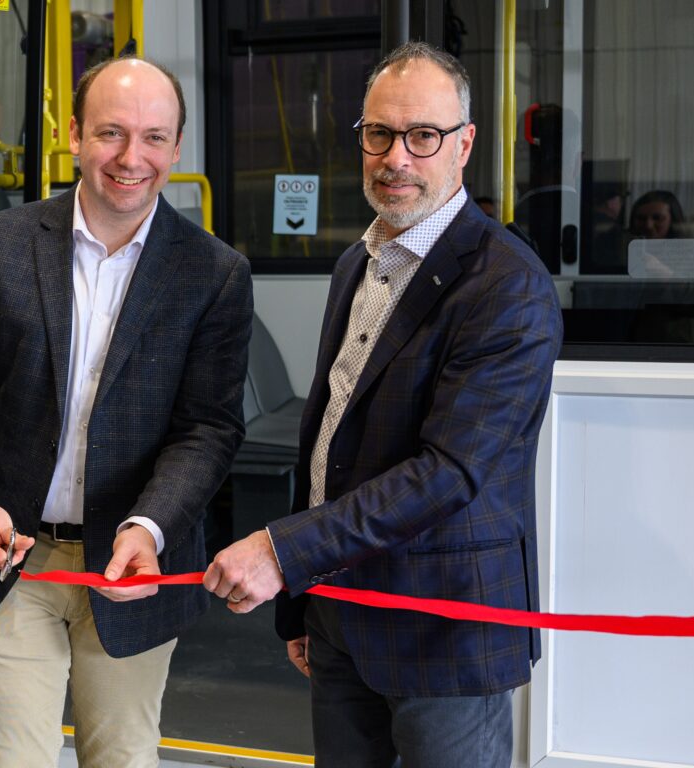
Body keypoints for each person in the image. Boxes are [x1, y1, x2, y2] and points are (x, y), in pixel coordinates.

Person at [204, 43, 561, 768]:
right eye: (378, 134)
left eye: (422, 135)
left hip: (443, 630)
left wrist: (283, 552)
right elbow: (331, 441)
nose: (396, 156)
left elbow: (448, 473)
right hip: (341, 618)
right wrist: (302, 602)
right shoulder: (358, 262)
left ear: (463, 145)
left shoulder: (505, 285)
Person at [0, 56, 252, 766]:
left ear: (177, 147)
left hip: (133, 569)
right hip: (10, 561)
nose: (133, 158)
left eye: (155, 138)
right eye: (111, 133)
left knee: (122, 758)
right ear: (73, 135)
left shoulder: (215, 273)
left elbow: (209, 428)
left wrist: (151, 525)